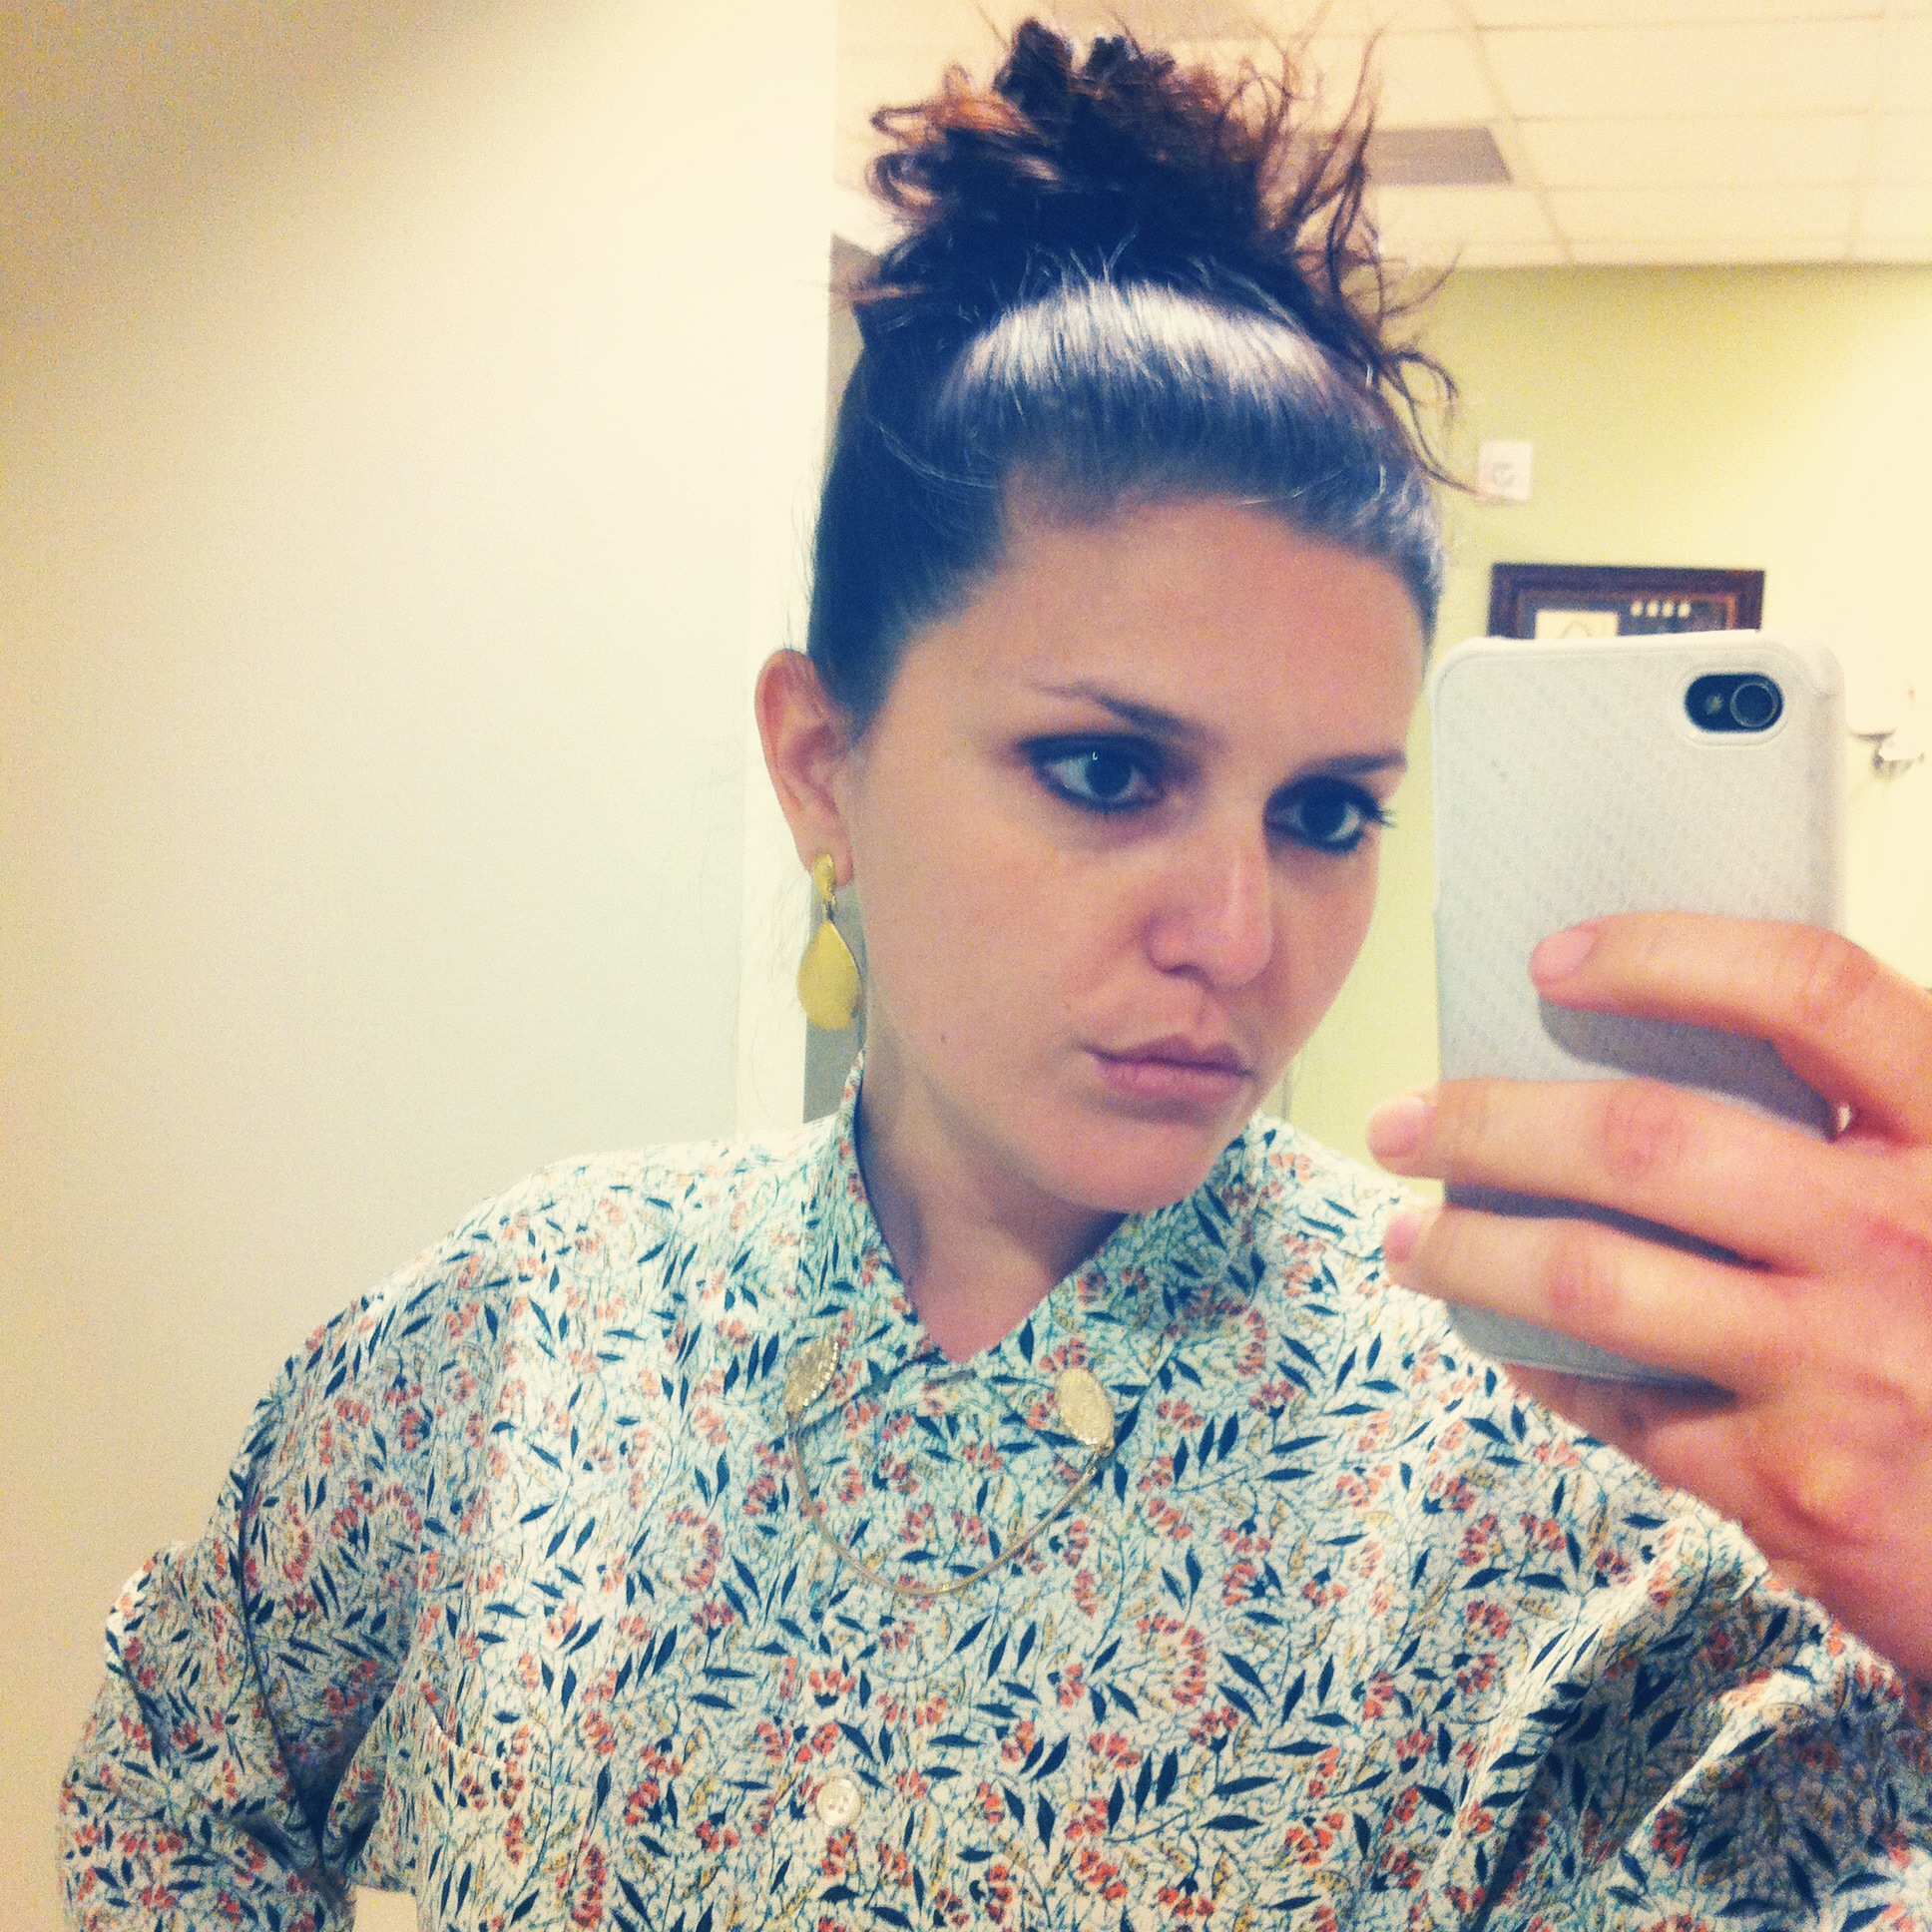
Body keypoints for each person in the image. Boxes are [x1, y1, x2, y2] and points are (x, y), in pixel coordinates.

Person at [59, 22, 1932, 1931]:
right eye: (1107, 772)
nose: (1243, 935)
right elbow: (175, 1773)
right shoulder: (521, 1345)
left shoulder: (1545, 1478)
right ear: (824, 765)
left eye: (1326, 813)